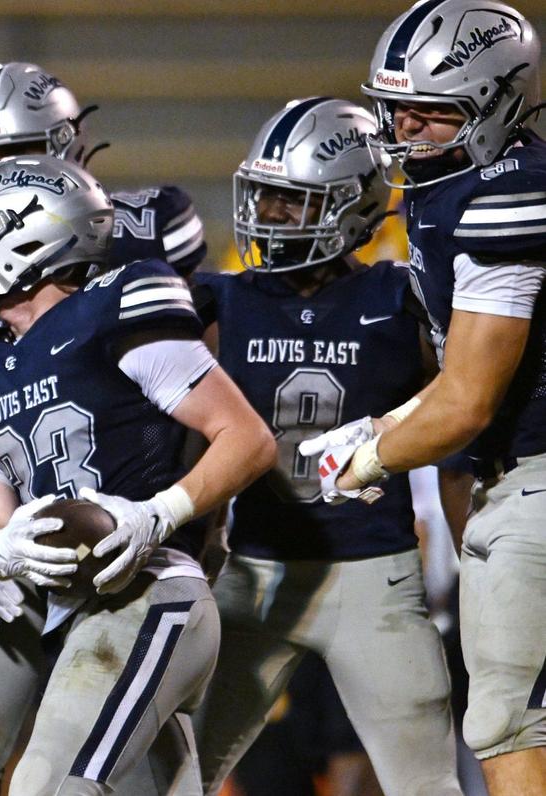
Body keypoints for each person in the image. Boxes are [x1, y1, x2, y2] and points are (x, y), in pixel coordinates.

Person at [0, 61, 207, 794]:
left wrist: (179, 522)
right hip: (7, 518)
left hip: (128, 526)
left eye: (9, 159)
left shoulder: (146, 234)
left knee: (128, 757)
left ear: (65, 148)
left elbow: (202, 399)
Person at [0, 154, 276, 795]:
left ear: (35, 235)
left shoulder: (119, 304)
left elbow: (248, 438)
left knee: (49, 786)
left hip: (154, 592)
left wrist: (158, 513)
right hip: (79, 616)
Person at [303, 2, 546, 792]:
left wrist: (366, 459)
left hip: (535, 477)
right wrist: (386, 422)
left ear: (499, 103)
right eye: (395, 108)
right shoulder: (459, 187)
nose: (406, 130)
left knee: (508, 718)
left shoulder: (509, 194)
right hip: (512, 475)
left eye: (433, 114)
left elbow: (470, 400)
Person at [190, 97, 461, 796]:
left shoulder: (402, 297)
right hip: (255, 571)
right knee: (174, 768)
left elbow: (465, 408)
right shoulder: (220, 300)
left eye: (292, 199)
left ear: (356, 203)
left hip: (375, 570)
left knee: (425, 784)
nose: (269, 213)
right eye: (266, 195)